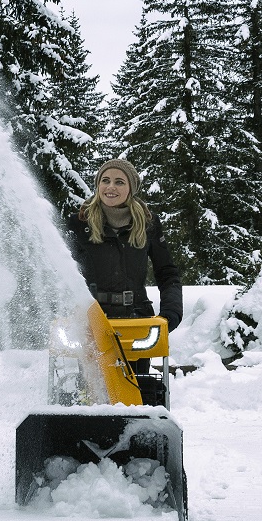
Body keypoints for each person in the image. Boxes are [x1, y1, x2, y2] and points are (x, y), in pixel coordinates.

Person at [66, 157, 183, 406]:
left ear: (131, 188)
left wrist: (171, 313)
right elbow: (63, 274)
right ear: (97, 185)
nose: (111, 187)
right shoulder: (79, 223)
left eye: (119, 182)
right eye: (105, 181)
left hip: (136, 320)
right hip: (91, 321)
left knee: (136, 389)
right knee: (89, 388)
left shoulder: (148, 224)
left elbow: (168, 273)